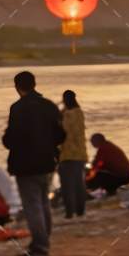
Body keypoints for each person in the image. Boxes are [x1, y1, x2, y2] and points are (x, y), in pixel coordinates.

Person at [2, 70, 65, 256]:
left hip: (26, 164)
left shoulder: (18, 108)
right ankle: (44, 240)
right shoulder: (49, 106)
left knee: (32, 205)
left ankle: (40, 246)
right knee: (44, 201)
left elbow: (11, 138)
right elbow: (61, 135)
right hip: (47, 161)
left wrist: (6, 139)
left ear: (17, 87)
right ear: (34, 84)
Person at [56, 90, 89, 219]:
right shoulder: (79, 112)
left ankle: (70, 212)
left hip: (67, 154)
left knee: (67, 186)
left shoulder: (67, 115)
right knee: (79, 184)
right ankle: (81, 211)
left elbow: (62, 131)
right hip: (80, 153)